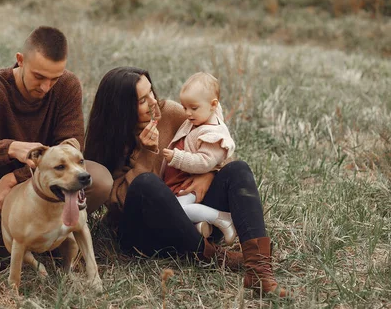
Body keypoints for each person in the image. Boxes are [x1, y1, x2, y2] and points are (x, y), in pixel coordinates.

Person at [84, 67, 289, 297]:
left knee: (238, 169)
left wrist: (207, 174)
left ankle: (259, 270)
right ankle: (214, 256)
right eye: (143, 100)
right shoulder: (109, 140)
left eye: (151, 91)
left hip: (197, 218)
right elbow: (118, 202)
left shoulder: (171, 112)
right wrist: (146, 153)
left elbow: (217, 143)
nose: (153, 101)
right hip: (146, 235)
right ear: (121, 109)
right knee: (146, 183)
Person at [0, 26, 113, 268]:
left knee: (100, 179)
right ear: (20, 60)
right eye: (39, 76)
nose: (46, 87)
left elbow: (71, 142)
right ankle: (31, 237)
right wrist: (11, 148)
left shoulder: (68, 85)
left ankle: (56, 233)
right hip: (1, 194)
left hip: (53, 183)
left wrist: (13, 176)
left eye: (54, 79)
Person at [161, 72, 236, 245]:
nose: (187, 113)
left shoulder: (213, 134)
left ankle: (222, 218)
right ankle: (201, 227)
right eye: (184, 107)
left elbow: (204, 162)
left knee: (175, 210)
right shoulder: (200, 118)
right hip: (178, 183)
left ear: (213, 105)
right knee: (174, 212)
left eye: (193, 108)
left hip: (190, 183)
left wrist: (177, 157)